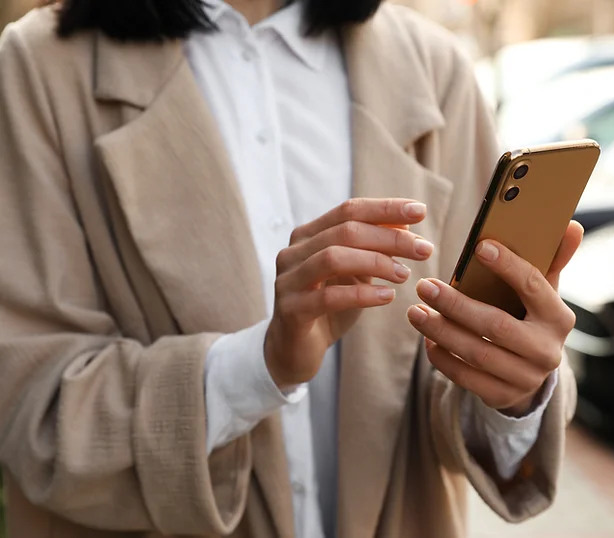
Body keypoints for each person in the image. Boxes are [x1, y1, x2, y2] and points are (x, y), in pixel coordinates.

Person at [0, 1, 582, 537]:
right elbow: (33, 408)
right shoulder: (39, 65)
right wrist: (260, 366)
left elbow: (456, 387)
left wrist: (515, 390)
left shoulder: (434, 68)